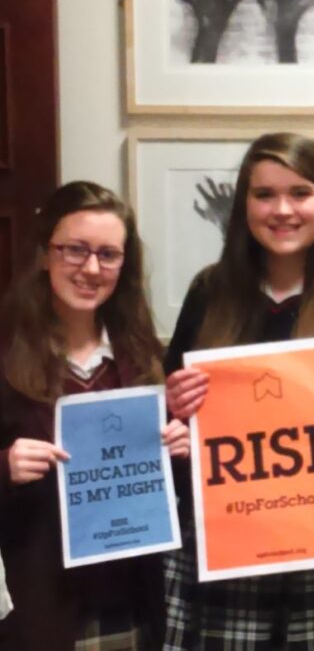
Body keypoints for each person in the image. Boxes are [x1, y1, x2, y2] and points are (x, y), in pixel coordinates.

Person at [161, 132, 314, 649]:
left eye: (300, 193)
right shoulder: (209, 292)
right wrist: (175, 408)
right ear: (244, 206)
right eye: (264, 195)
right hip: (223, 542)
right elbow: (173, 424)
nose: (282, 210)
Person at [0, 181, 190, 649]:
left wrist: (180, 449)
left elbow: (159, 486)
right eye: (74, 249)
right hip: (40, 602)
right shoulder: (5, 352)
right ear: (44, 254)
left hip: (133, 596)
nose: (91, 268)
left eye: (108, 255)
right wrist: (5, 466)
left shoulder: (143, 355)